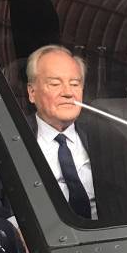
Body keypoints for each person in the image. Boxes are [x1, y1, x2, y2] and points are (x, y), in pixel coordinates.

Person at [26, 45, 97, 220]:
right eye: (55, 84)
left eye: (75, 84)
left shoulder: (104, 138)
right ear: (32, 92)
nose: (68, 93)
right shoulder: (13, 138)